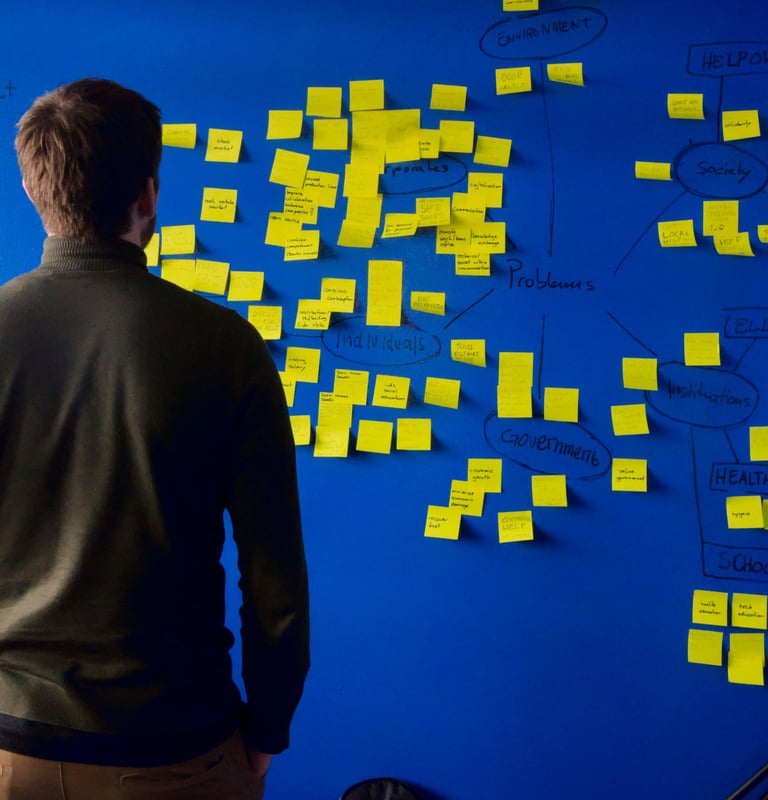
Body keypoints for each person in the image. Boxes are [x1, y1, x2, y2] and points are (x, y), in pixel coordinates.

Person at [0, 78, 310, 799]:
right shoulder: (226, 346)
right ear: (147, 195)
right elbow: (275, 583)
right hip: (172, 752)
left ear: (32, 191)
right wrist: (269, 727)